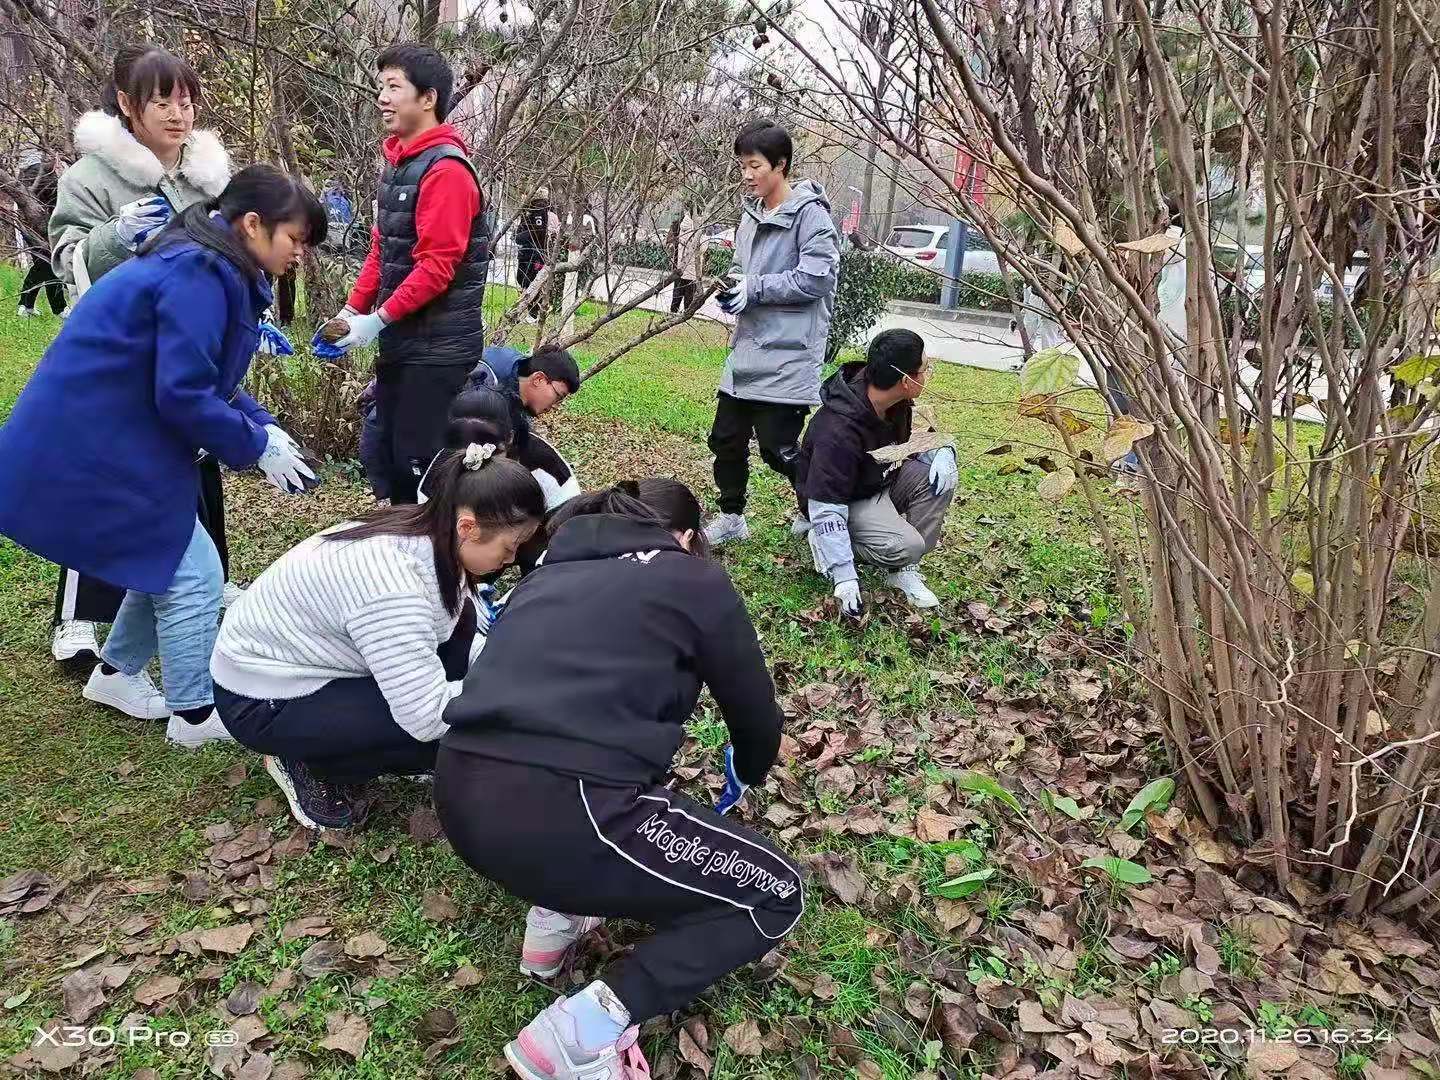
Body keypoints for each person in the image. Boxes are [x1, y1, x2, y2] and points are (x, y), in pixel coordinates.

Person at [435, 478, 799, 1080]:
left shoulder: (544, 579)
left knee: (602, 788)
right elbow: (756, 719)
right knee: (777, 890)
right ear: (685, 538)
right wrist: (749, 771)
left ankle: (552, 921)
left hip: (460, 793)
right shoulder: (691, 578)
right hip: (569, 810)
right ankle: (580, 1033)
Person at [0, 166, 324, 747]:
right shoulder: (199, 273)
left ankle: (116, 675)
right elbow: (182, 393)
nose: (301, 253)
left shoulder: (214, 264)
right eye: (295, 239)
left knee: (168, 559)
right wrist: (255, 445)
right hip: (93, 440)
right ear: (253, 224)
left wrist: (267, 429)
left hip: (112, 432)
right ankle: (194, 715)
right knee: (194, 574)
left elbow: (204, 374)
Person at [212, 438, 545, 831]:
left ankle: (340, 739)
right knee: (439, 741)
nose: (510, 561)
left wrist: (503, 668)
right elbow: (425, 716)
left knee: (463, 708)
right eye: (510, 548)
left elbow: (459, 633)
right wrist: (517, 695)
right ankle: (302, 757)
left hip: (314, 658)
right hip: (262, 697)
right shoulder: (392, 587)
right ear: (468, 527)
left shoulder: (431, 535)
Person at [45, 44, 241, 668]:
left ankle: (196, 596)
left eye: (186, 100)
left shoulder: (208, 180)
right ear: (128, 106)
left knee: (188, 468)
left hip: (189, 350)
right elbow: (64, 260)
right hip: (120, 353)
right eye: (162, 100)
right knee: (113, 480)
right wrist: (112, 238)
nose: (178, 114)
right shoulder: (91, 178)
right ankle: (77, 617)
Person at [323, 43, 490, 506]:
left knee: (421, 467)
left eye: (393, 87)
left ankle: (442, 564)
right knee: (388, 456)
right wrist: (351, 310)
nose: (382, 97)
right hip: (406, 341)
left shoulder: (446, 170)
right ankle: (400, 555)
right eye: (380, 87)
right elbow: (383, 248)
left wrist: (376, 321)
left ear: (428, 98)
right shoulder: (401, 164)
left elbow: (438, 267)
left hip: (437, 350)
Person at [704, 119, 840, 546]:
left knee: (777, 449)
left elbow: (817, 279)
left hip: (788, 354)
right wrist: (735, 288)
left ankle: (822, 507)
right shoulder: (751, 216)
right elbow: (750, 274)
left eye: (754, 165)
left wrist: (756, 289)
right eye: (742, 166)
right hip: (747, 350)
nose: (746, 175)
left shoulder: (811, 216)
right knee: (725, 440)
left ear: (781, 165)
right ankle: (731, 517)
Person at [795, 328, 958, 615]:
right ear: (906, 380)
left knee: (936, 478)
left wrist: (943, 450)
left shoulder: (895, 400)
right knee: (905, 545)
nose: (927, 374)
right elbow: (826, 503)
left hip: (879, 478)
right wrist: (844, 574)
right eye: (924, 369)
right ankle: (824, 541)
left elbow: (917, 437)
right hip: (845, 499)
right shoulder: (838, 431)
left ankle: (903, 570)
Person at [15, 149, 66, 318]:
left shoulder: (23, 178)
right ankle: (57, 308)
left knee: (44, 264)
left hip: (28, 226)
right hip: (44, 226)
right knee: (47, 263)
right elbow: (56, 200)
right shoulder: (43, 174)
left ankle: (27, 305)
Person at [515, 189, 550, 322]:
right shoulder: (530, 210)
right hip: (527, 252)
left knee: (531, 281)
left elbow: (537, 231)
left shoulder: (539, 208)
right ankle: (526, 311)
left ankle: (533, 314)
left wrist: (521, 236)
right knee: (523, 280)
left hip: (534, 254)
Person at [669, 205, 702, 314]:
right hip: (692, 268)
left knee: (677, 294)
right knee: (689, 296)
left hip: (680, 266)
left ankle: (672, 313)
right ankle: (686, 317)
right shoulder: (698, 229)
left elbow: (671, 242)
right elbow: (702, 248)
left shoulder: (680, 225)